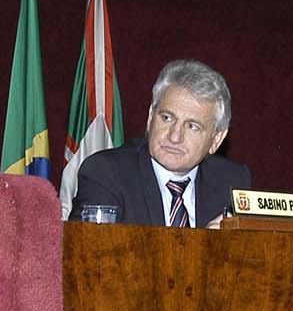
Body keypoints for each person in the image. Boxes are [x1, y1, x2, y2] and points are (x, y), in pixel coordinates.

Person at [69, 59, 250, 227]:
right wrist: (205, 247)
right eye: (167, 118)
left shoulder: (232, 181)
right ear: (150, 117)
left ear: (216, 139)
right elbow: (90, 255)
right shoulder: (106, 173)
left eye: (192, 126)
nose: (175, 136)